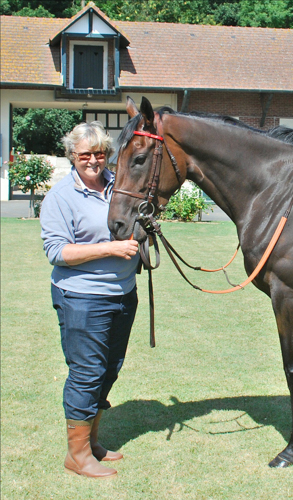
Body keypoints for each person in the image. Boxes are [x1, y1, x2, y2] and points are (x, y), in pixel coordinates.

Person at [40, 121, 140, 478]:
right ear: (72, 156)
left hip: (123, 294)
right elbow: (56, 252)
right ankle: (76, 455)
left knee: (109, 368)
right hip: (82, 298)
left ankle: (92, 442)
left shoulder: (120, 186)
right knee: (86, 372)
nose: (94, 161)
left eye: (100, 154)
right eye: (86, 155)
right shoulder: (60, 197)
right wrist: (109, 248)